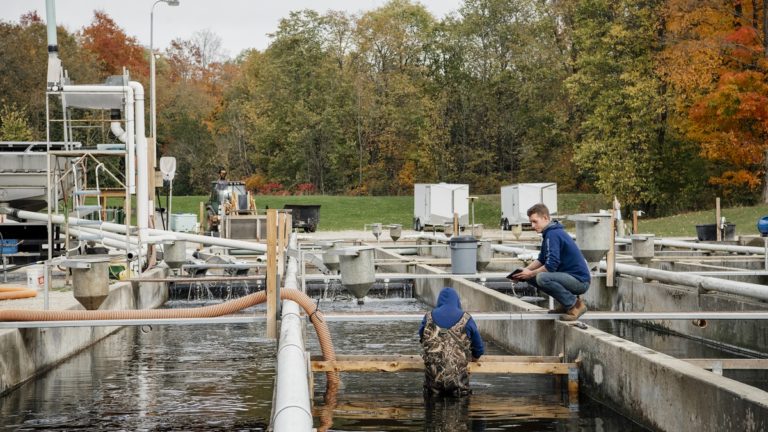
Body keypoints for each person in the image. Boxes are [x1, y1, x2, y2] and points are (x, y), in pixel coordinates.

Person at [511, 203, 591, 321]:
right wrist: (524, 272)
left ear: (545, 218)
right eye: (531, 222)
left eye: (535, 221)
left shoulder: (553, 234)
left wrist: (530, 273)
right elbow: (541, 259)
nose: (532, 226)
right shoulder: (549, 233)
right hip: (569, 278)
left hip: (580, 281)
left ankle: (575, 306)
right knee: (529, 277)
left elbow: (551, 265)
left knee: (542, 278)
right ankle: (565, 304)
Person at [419, 287, 485, 397]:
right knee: (460, 404)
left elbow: (422, 338)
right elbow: (479, 348)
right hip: (458, 384)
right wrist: (474, 358)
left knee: (432, 405)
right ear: (457, 301)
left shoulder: (428, 317)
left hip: (433, 384)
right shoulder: (466, 319)